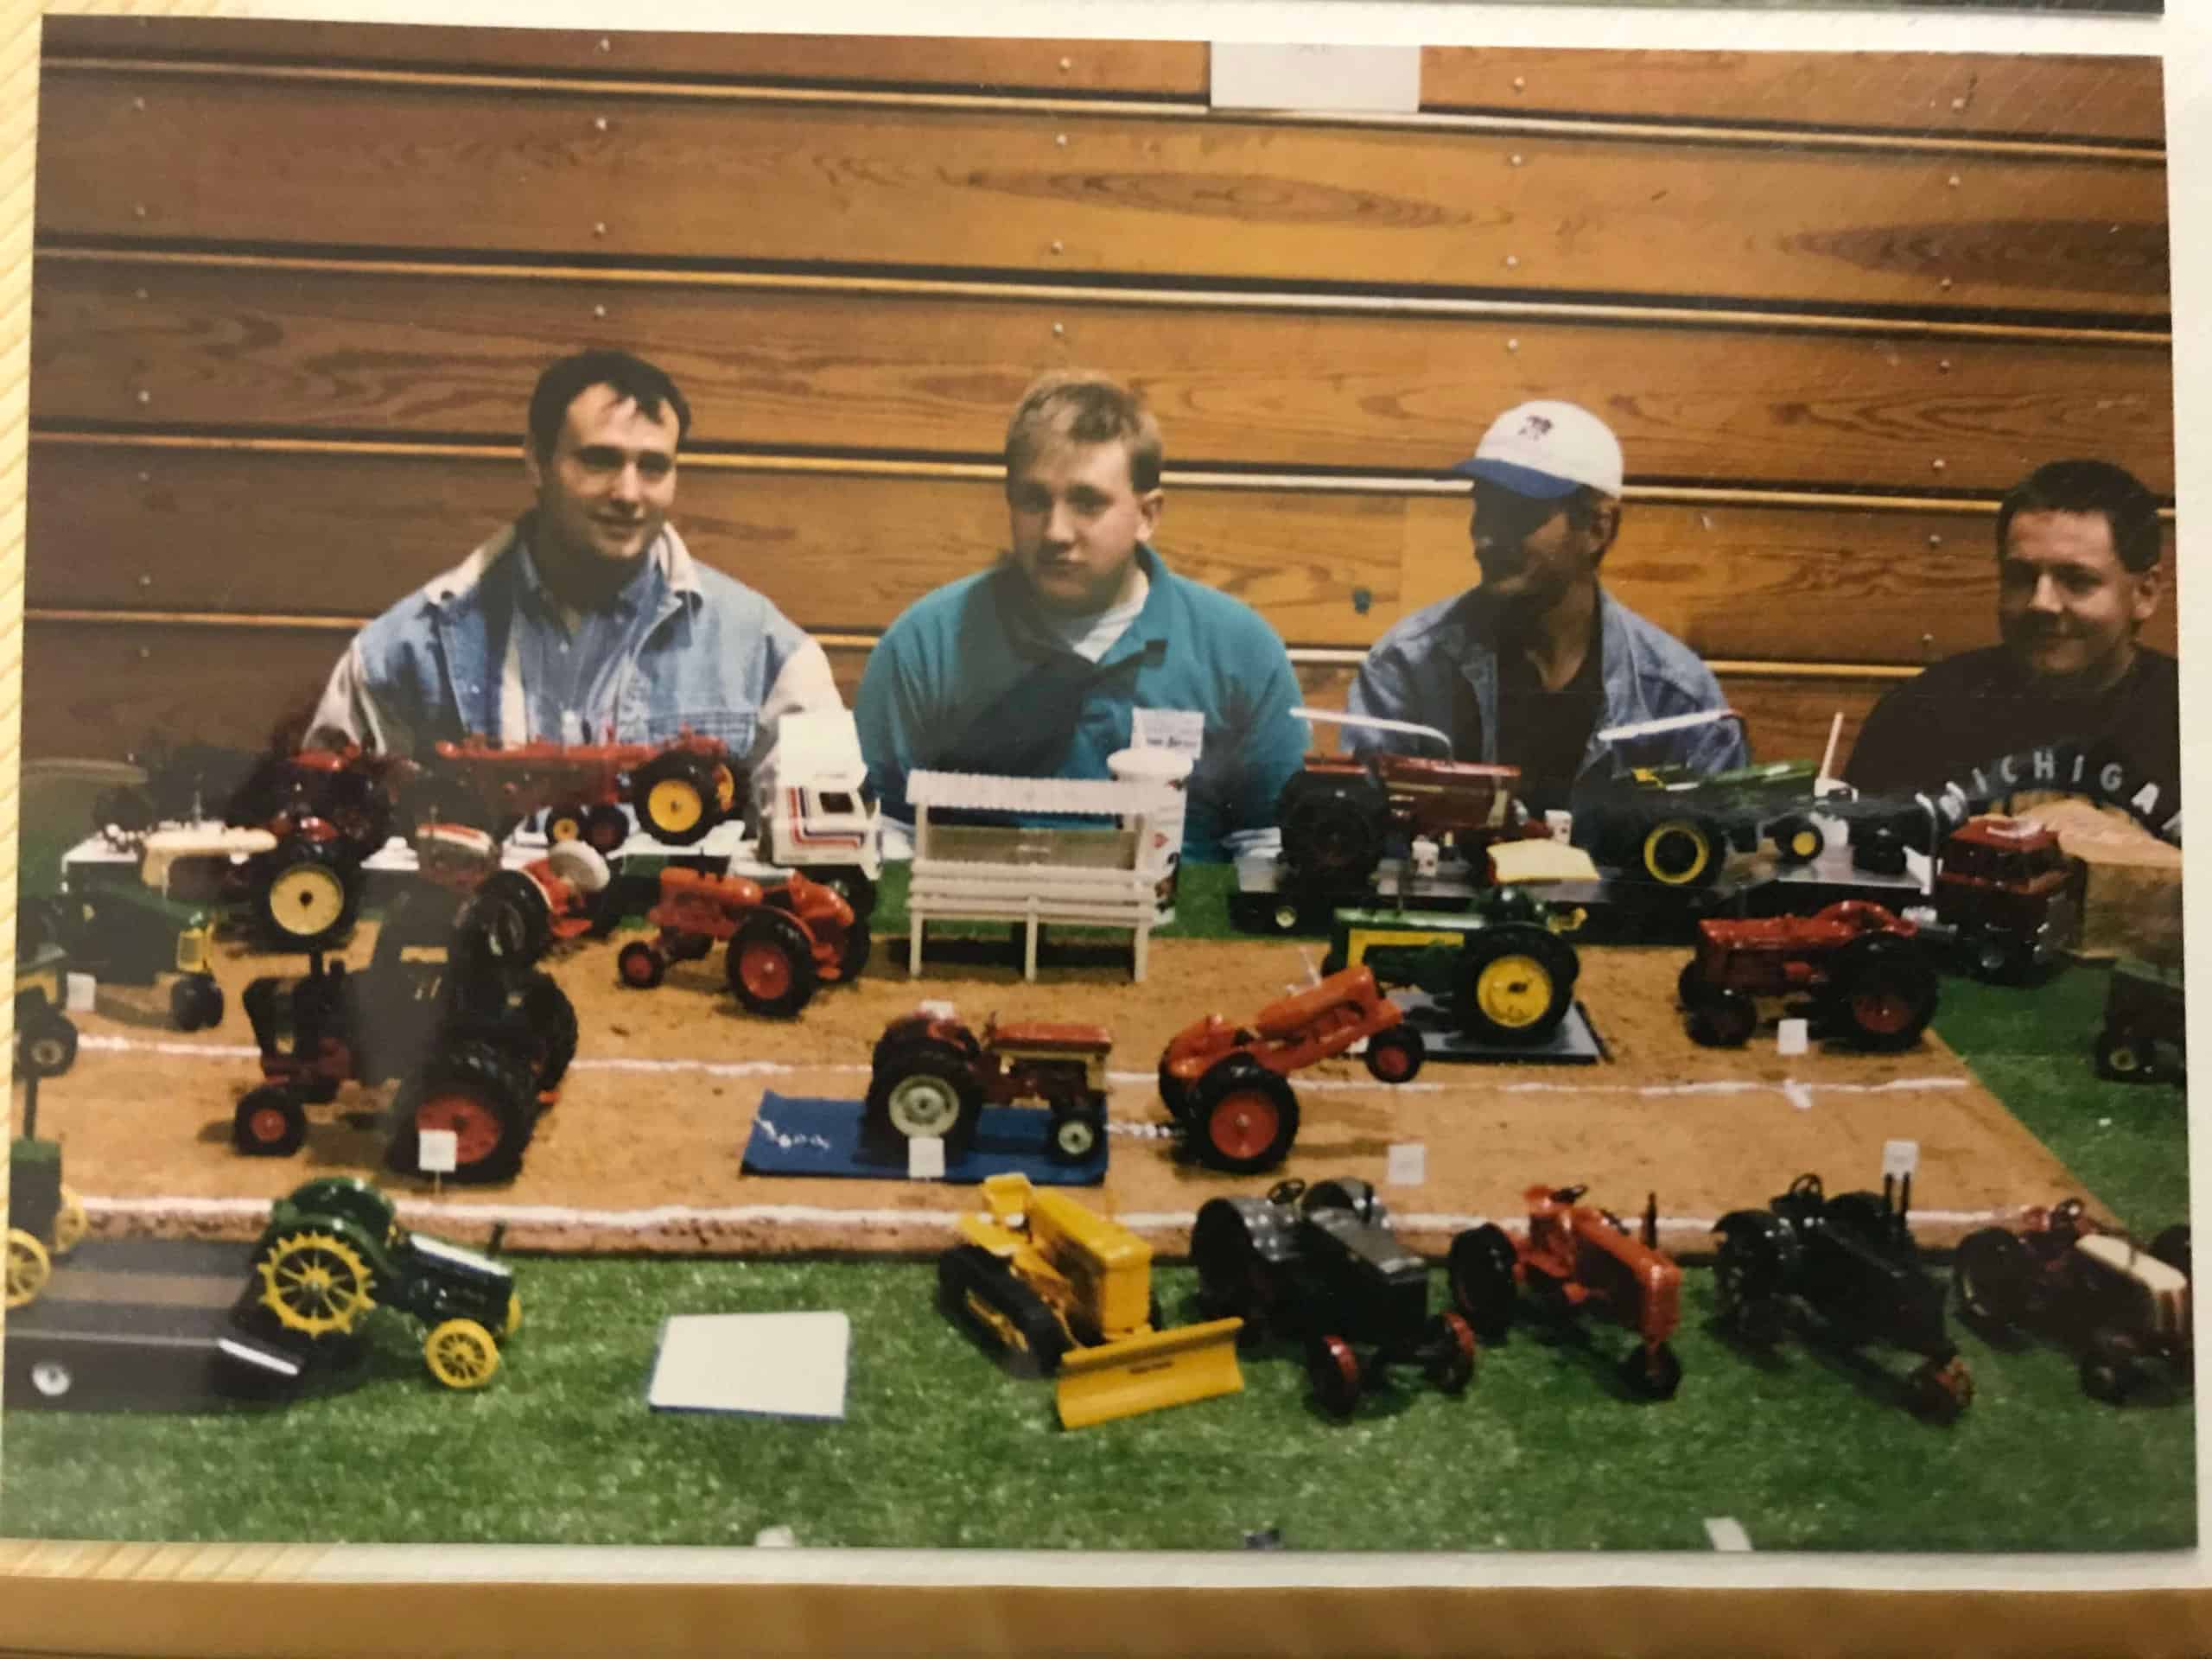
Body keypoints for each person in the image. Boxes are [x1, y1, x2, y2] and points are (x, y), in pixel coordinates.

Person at [855, 370, 1306, 859]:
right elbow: (885, 833)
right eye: (1034, 501)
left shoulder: (1241, 651)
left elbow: (1267, 844)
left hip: (1173, 928)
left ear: (1148, 516)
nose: (1055, 532)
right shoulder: (927, 644)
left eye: (1087, 503)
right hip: (970, 924)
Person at [310, 349, 838, 757]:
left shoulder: (763, 652)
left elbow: (827, 845)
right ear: (537, 464)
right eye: (600, 461)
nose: (629, 494)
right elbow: (329, 824)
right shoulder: (409, 649)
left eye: (653, 467)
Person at [1346, 400, 1745, 811]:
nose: (1485, 540)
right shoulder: (1406, 669)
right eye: (1484, 509)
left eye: (1517, 516)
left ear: (1596, 528)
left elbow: (1719, 862)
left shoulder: (1677, 700)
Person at [1845, 458, 2178, 840]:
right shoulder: (1920, 713)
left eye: (2077, 580)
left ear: (2145, 593)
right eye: (2021, 577)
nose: (2042, 602)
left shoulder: (2189, 719)